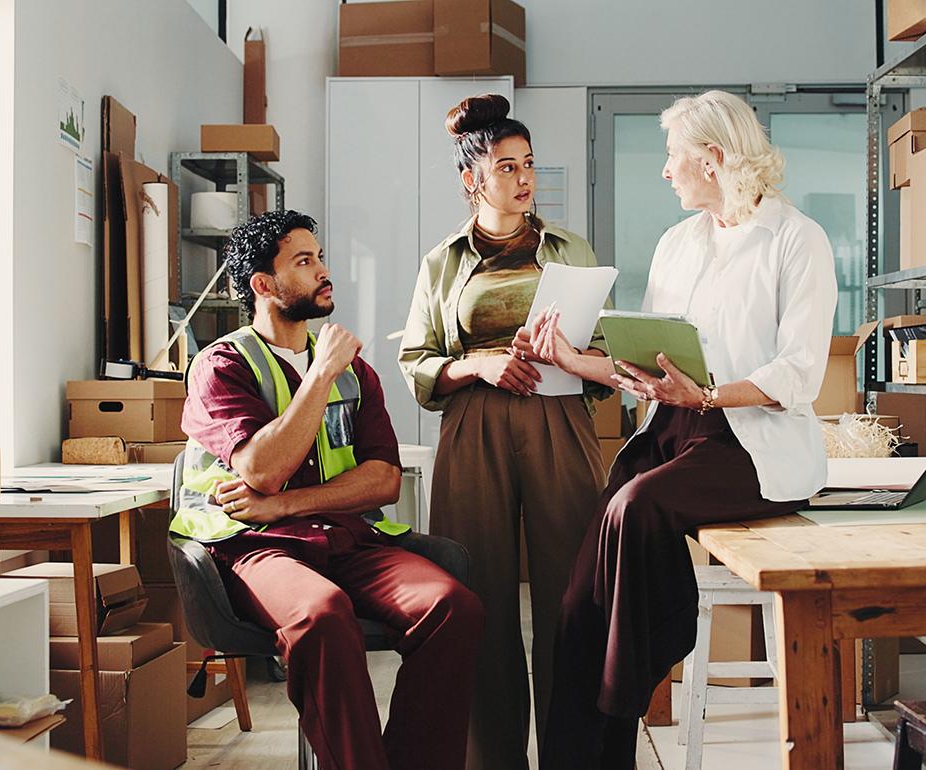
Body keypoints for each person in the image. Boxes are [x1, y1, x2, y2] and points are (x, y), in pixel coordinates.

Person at [525, 90, 838, 769]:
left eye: (675, 157)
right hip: (671, 433)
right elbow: (647, 363)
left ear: (713, 158)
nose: (666, 171)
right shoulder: (678, 243)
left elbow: (801, 370)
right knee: (578, 605)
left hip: (747, 444)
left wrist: (709, 395)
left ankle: (622, 717)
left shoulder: (795, 239)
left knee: (636, 508)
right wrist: (573, 359)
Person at [171, 210, 484, 770]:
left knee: (452, 607)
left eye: (320, 257)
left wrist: (289, 501)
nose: (323, 270)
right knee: (322, 614)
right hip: (254, 546)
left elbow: (383, 478)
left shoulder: (355, 371)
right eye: (304, 260)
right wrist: (317, 376)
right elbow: (260, 469)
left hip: (347, 540)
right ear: (264, 286)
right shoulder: (221, 365)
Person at [398, 94, 615, 770]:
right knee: (476, 598)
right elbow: (416, 362)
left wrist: (570, 356)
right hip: (474, 427)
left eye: (529, 166)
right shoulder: (443, 261)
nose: (524, 180)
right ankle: (490, 760)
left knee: (574, 597)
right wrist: (478, 363)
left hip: (562, 419)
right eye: (506, 166)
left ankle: (575, 757)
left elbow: (607, 352)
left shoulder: (571, 249)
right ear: (472, 179)